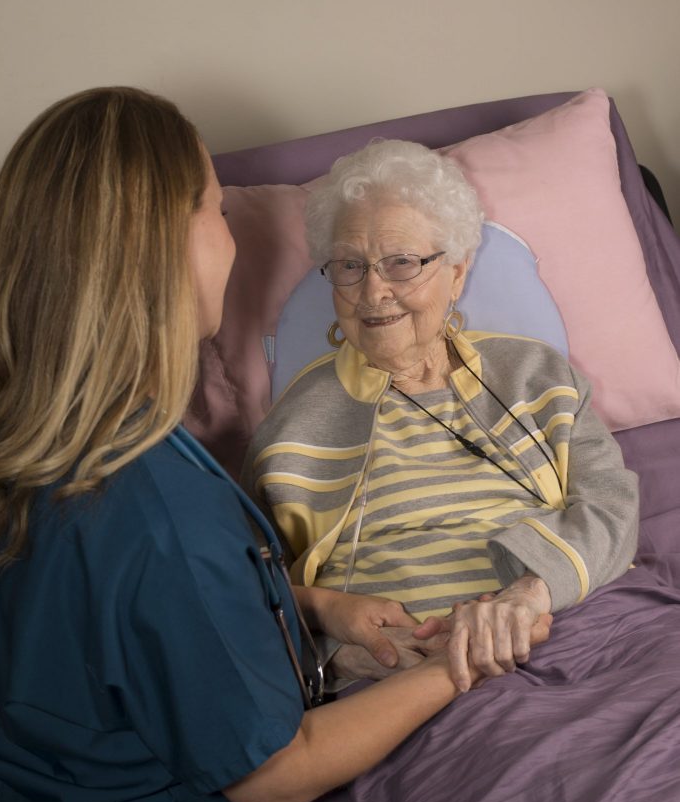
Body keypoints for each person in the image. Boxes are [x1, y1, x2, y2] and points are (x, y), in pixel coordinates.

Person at [0, 91, 547, 802]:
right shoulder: (158, 506)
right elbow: (272, 774)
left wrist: (312, 604)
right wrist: (454, 666)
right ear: (163, 252)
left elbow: (117, 616)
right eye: (216, 210)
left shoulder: (47, 435)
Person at [242, 138, 639, 691]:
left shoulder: (536, 375)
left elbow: (613, 506)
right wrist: (341, 657)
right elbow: (251, 596)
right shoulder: (289, 429)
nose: (373, 291)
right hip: (409, 679)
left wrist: (527, 594)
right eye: (350, 266)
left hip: (577, 630)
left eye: (402, 263)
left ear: (456, 272)